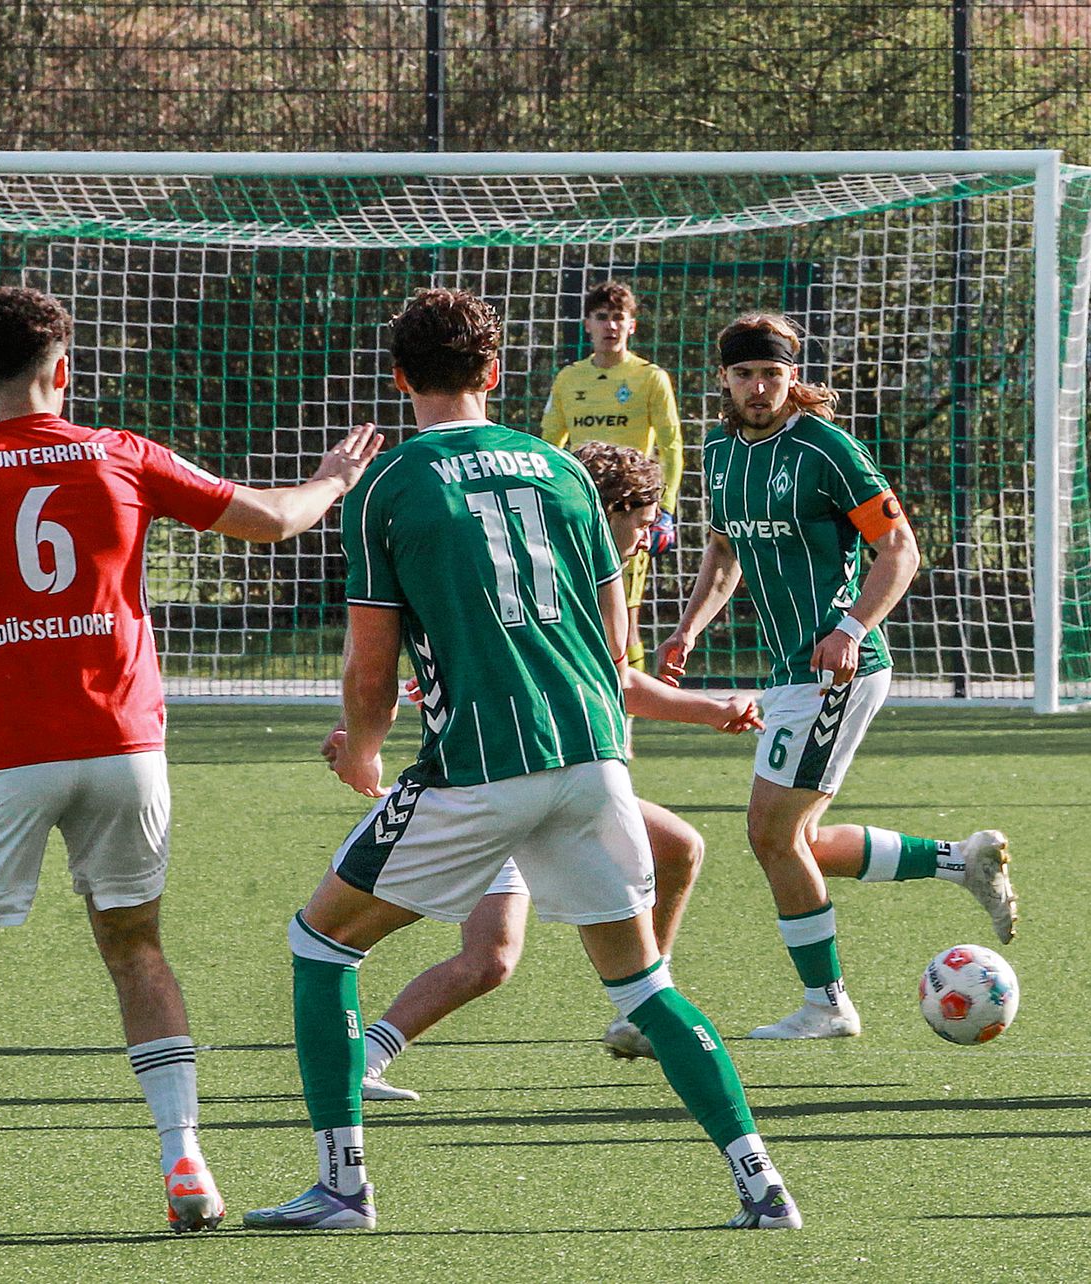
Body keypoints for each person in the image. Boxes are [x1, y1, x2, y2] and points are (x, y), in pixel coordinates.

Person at [243, 287, 802, 1233]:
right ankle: (763, 1185)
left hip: (478, 768)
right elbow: (615, 652)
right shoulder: (566, 473)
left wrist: (363, 749)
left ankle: (341, 1188)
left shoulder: (387, 483)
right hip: (594, 760)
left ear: (400, 379)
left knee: (321, 942)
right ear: (496, 374)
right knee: (645, 987)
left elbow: (370, 667)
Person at [0, 286, 382, 1248]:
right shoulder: (122, 453)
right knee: (136, 949)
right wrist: (334, 479)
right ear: (63, 369)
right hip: (126, 750)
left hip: (9, 758)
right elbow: (274, 520)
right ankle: (185, 1159)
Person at [352, 442, 761, 1100]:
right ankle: (359, 1053)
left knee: (675, 849)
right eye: (643, 522)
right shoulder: (549, 572)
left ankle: (640, 1006)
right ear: (606, 510)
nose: (648, 539)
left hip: (549, 777)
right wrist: (713, 711)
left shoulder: (566, 568)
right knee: (482, 956)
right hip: (494, 780)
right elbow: (613, 682)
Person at [655, 313, 1016, 1042]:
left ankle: (828, 1004)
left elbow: (900, 549)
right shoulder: (719, 450)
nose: (759, 388)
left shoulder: (827, 449)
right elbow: (724, 550)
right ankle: (961, 862)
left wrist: (851, 628)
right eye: (746, 374)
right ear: (724, 379)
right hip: (789, 672)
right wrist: (689, 628)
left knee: (771, 834)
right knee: (802, 843)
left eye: (773, 374)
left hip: (836, 670)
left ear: (793, 377)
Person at [541, 280, 683, 669]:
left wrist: (665, 511)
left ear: (632, 325)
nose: (611, 326)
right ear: (587, 324)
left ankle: (625, 703)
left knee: (624, 618)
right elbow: (550, 444)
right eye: (602, 317)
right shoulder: (570, 378)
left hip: (628, 512)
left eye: (619, 317)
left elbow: (672, 446)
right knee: (573, 610)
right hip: (581, 510)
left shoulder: (650, 378)